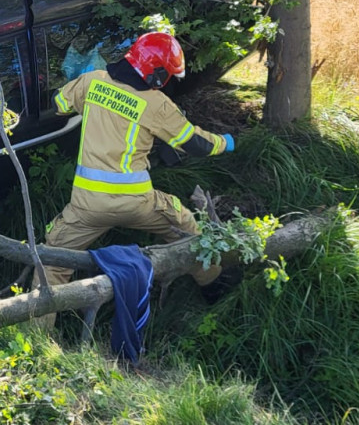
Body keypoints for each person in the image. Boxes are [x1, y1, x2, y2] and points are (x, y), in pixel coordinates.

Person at [36, 32, 236, 322]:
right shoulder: (157, 104)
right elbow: (196, 144)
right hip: (138, 204)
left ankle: (36, 333)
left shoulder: (92, 81)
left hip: (86, 206)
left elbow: (58, 104)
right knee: (186, 231)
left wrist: (78, 83)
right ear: (157, 74)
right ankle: (217, 290)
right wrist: (225, 143)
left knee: (52, 261)